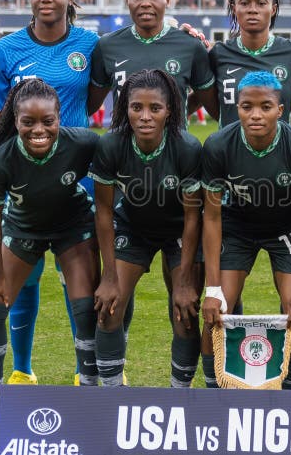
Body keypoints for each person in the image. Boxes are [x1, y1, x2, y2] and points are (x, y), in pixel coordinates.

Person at [0, 0, 100, 385]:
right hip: (27, 186)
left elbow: (121, 79)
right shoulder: (9, 49)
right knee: (23, 281)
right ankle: (21, 369)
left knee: (80, 286)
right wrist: (6, 169)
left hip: (78, 183)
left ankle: (80, 373)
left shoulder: (90, 45)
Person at [0, 78, 100, 385]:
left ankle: (90, 392)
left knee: (87, 309)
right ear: (15, 121)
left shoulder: (84, 142)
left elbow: (117, 163)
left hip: (73, 227)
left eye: (48, 121)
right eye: (28, 122)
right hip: (23, 227)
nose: (39, 130)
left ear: (59, 119)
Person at [200, 71, 291, 390]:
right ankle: (211, 395)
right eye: (247, 107)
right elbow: (212, 217)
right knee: (218, 310)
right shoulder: (218, 145)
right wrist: (212, 290)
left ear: (281, 110)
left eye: (265, 107)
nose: (256, 114)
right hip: (238, 224)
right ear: (237, 107)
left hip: (288, 225)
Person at [90, 69, 203, 388]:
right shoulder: (111, 145)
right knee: (109, 308)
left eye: (155, 108)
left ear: (170, 112)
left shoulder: (187, 148)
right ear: (124, 108)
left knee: (185, 311)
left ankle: (179, 394)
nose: (145, 116)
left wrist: (183, 282)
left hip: (180, 230)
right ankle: (112, 395)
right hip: (133, 227)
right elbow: (103, 210)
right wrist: (109, 275)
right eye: (136, 107)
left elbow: (194, 217)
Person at [89, 0, 216, 123]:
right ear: (127, 1)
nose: (145, 3)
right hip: (121, 148)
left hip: (174, 147)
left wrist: (175, 116)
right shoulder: (107, 45)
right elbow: (89, 106)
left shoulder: (190, 45)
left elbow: (209, 101)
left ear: (168, 0)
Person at [205, 0, 291, 127]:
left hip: (280, 150)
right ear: (234, 8)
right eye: (244, 3)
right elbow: (200, 96)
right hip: (230, 150)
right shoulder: (218, 54)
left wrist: (287, 131)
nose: (253, 10)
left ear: (273, 9)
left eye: (261, 3)